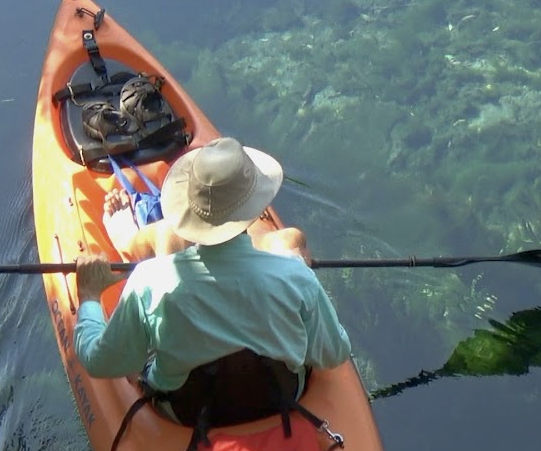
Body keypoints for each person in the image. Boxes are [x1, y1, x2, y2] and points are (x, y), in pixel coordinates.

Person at [73, 136, 354, 423]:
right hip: (281, 398)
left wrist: (89, 296)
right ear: (257, 210)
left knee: (165, 241)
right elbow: (335, 353)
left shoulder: (148, 282)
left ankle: (129, 236)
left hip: (185, 411)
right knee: (290, 241)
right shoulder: (297, 276)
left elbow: (98, 361)